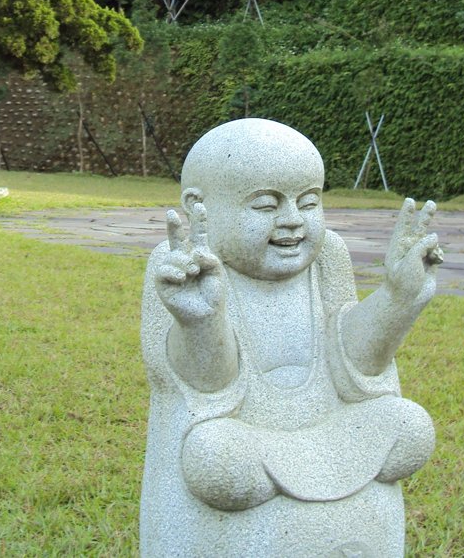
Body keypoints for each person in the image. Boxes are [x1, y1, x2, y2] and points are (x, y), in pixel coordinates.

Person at [140, 119, 438, 557]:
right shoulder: (180, 268)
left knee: (409, 426)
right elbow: (200, 390)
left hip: (330, 429)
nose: (293, 221)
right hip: (243, 445)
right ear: (199, 206)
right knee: (216, 458)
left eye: (309, 202)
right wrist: (200, 322)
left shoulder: (327, 256)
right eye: (266, 205)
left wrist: (398, 298)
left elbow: (355, 363)